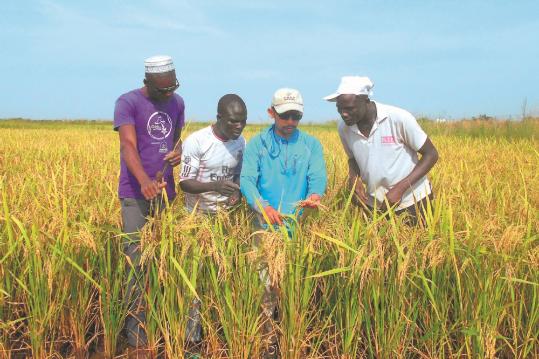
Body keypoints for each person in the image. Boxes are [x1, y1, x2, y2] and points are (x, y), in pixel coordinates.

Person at [240, 88, 327, 358]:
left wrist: (315, 196)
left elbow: (317, 177)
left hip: (298, 227)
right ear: (271, 113)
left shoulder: (311, 145)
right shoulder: (258, 144)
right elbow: (246, 181)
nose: (290, 122)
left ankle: (292, 335)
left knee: (294, 285)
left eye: (295, 116)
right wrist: (263, 207)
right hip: (265, 228)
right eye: (285, 116)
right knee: (265, 285)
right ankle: (267, 339)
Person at [113, 55, 184, 355]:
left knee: (165, 262)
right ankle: (137, 337)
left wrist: (178, 154)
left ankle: (163, 324)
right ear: (148, 84)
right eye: (163, 90)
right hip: (136, 194)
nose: (169, 94)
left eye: (173, 88)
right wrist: (143, 181)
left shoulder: (177, 103)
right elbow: (128, 145)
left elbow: (177, 140)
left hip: (166, 194)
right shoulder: (127, 102)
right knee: (137, 263)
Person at [324, 76, 439, 225]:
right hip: (376, 206)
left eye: (349, 108)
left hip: (413, 202)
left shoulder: (398, 118)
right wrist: (353, 179)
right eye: (339, 109)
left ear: (365, 101)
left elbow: (431, 154)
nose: (343, 114)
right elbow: (353, 159)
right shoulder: (344, 128)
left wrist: (400, 188)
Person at [180, 94, 247, 214]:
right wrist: (214, 186)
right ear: (219, 118)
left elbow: (238, 174)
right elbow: (185, 183)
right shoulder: (197, 141)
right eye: (233, 121)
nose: (239, 126)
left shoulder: (241, 141)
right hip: (196, 214)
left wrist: (237, 191)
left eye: (243, 121)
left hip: (226, 213)